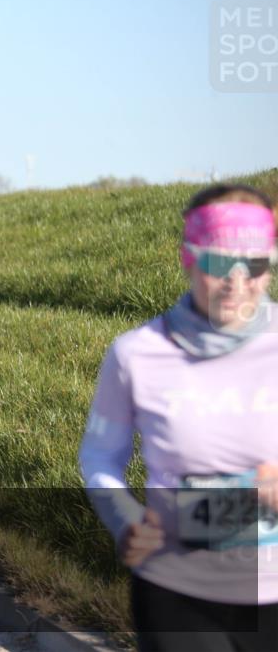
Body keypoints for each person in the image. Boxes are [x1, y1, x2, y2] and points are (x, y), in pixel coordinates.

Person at [79, 184, 278, 651]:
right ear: (188, 257)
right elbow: (99, 456)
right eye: (216, 260)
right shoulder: (137, 354)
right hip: (177, 591)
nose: (235, 279)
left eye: (252, 261)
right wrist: (125, 518)